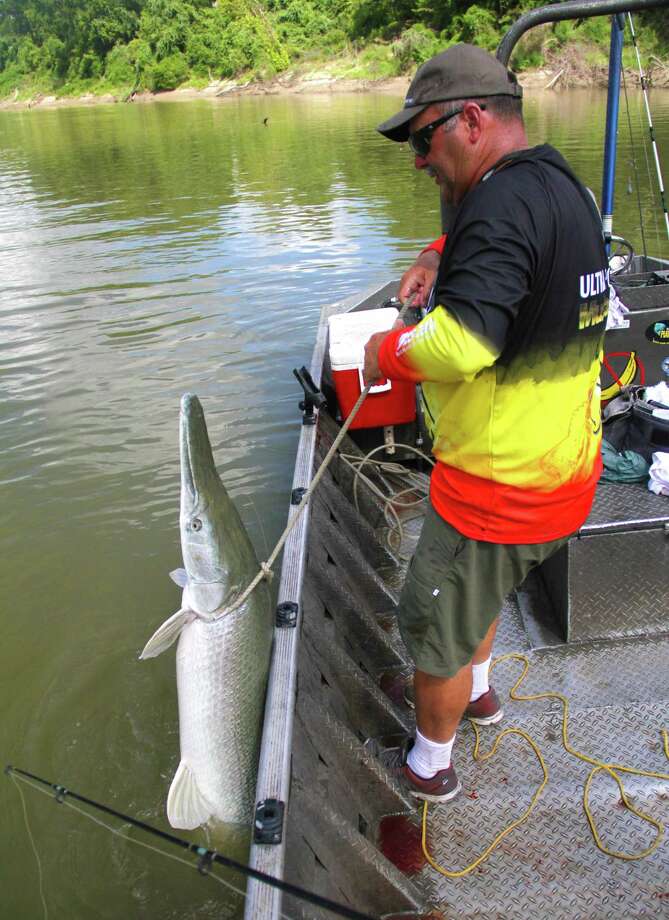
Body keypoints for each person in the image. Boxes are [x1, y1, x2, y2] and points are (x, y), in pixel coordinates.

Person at [363, 44, 608, 803]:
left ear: (468, 119)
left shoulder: (497, 203)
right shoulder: (554, 179)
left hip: (496, 492)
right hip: (563, 474)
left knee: (433, 620)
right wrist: (440, 254)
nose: (417, 161)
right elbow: (516, 253)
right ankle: (481, 696)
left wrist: (390, 349)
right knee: (482, 594)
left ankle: (428, 768)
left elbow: (462, 342)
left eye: (422, 140)